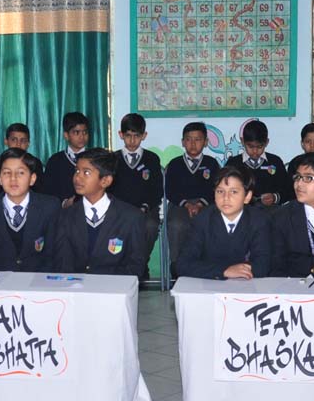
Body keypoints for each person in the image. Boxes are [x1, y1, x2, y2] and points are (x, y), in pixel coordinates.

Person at [53, 148, 147, 277]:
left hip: (115, 287)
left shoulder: (131, 217)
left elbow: (136, 266)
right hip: (76, 287)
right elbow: (62, 264)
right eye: (77, 171)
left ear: (105, 181)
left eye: (86, 172)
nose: (77, 177)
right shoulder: (66, 216)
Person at [177, 165, 272, 280]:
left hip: (246, 285)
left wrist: (238, 271)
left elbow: (263, 265)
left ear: (247, 196)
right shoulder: (203, 219)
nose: (226, 197)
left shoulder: (259, 220)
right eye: (220, 191)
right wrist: (224, 271)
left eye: (234, 192)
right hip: (209, 284)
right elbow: (183, 264)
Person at [0, 148, 58, 272]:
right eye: (7, 173)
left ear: (32, 179)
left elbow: (53, 257)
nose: (13, 178)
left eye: (20, 173)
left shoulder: (49, 207)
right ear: (0, 179)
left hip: (38, 280)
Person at [164, 121, 221, 277]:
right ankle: (176, 266)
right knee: (176, 225)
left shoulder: (212, 163)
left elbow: (216, 188)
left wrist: (201, 203)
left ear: (206, 142)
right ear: (183, 142)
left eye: (198, 139)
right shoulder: (175, 164)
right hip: (180, 204)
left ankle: (209, 266)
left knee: (211, 223)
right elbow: (170, 190)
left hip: (207, 204)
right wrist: (187, 204)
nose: (193, 144)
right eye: (189, 139)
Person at [111, 113, 164, 279]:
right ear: (121, 135)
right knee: (114, 227)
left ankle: (140, 264)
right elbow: (108, 189)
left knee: (150, 226)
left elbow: (157, 190)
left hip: (146, 209)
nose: (132, 140)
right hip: (119, 211)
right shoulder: (113, 159)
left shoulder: (152, 159)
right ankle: (123, 265)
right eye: (128, 136)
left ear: (144, 135)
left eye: (137, 136)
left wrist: (145, 207)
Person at [225, 120, 289, 209]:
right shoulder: (233, 164)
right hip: (241, 212)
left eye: (260, 147)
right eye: (250, 146)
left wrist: (274, 197)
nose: (255, 151)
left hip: (270, 212)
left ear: (266, 142)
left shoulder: (275, 161)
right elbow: (225, 189)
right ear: (242, 141)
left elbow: (287, 190)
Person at [44, 112, 91, 208]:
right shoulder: (55, 161)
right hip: (62, 212)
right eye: (76, 132)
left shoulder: (94, 158)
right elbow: (48, 191)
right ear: (66, 135)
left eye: (85, 132)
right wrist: (64, 203)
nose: (82, 137)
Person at [0, 123, 42, 198]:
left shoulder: (35, 163)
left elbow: (39, 191)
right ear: (6, 141)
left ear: (28, 144)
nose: (18, 144)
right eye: (14, 140)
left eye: (23, 141)